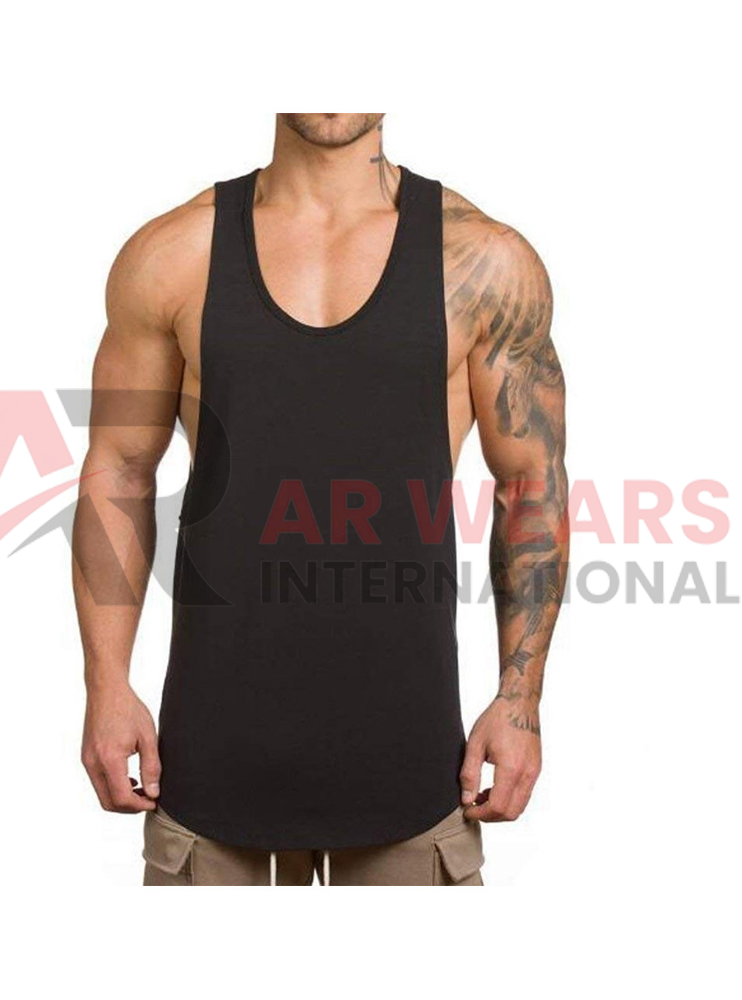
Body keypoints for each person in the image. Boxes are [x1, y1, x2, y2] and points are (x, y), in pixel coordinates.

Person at [73, 113, 568, 885]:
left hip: (413, 773)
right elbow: (120, 471)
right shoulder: (175, 254)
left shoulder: (481, 261)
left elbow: (531, 486)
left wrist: (519, 700)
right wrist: (106, 686)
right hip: (207, 771)